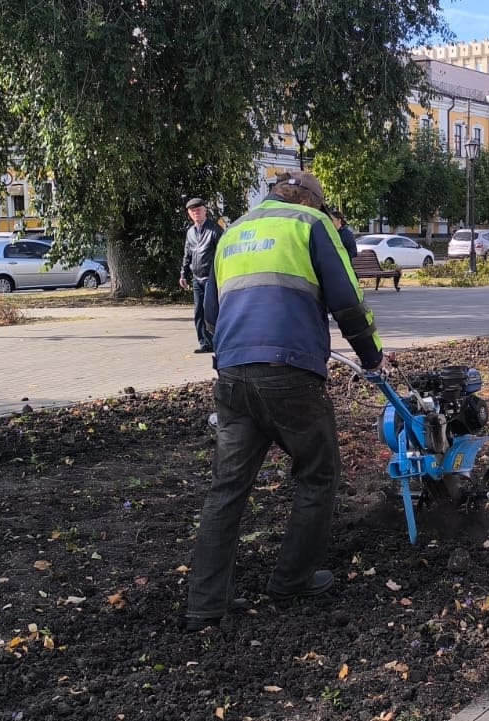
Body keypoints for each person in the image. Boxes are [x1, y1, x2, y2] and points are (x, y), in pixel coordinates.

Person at [182, 170, 383, 632]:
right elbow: (349, 301)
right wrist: (371, 357)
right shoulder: (311, 226)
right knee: (318, 471)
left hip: (232, 376)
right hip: (290, 373)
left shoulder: (233, 233)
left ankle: (205, 604)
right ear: (311, 198)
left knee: (227, 487)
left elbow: (211, 315)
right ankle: (291, 580)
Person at [180, 197, 221, 353]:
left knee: (210, 310)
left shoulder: (215, 230)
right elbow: (187, 254)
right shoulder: (190, 232)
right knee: (199, 311)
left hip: (212, 277)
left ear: (205, 211)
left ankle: (217, 341)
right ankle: (204, 342)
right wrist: (183, 274)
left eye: (198, 210)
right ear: (189, 213)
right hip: (197, 278)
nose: (196, 213)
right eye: (192, 211)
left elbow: (222, 253)